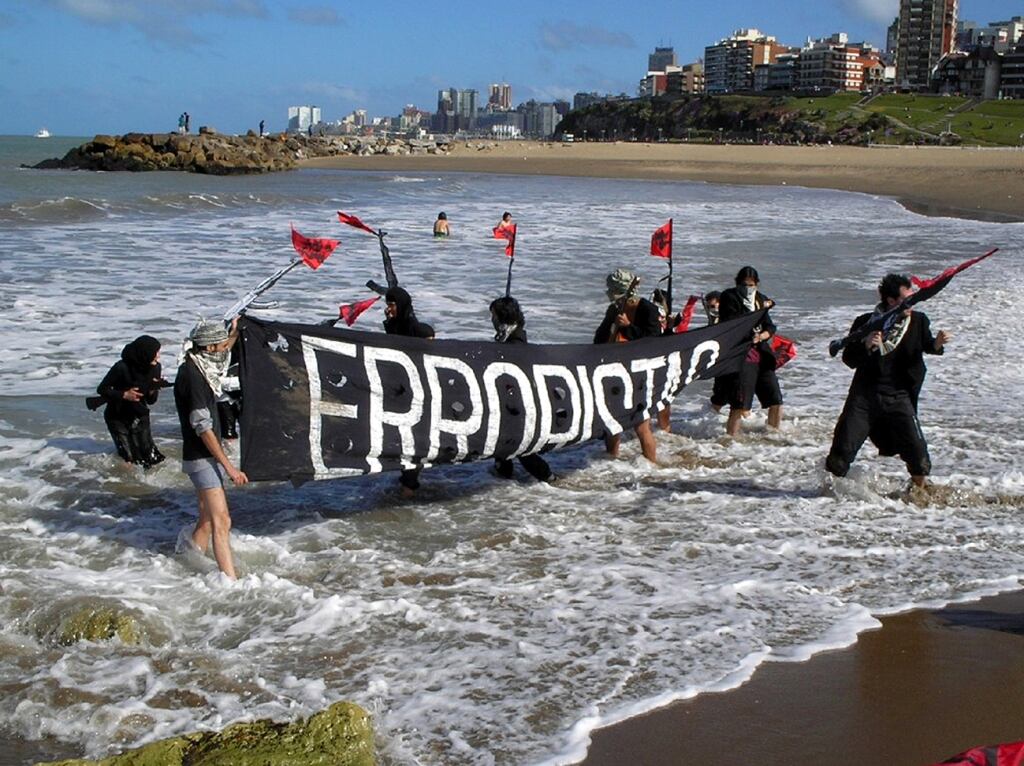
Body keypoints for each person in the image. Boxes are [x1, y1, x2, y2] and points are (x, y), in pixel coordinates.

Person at [825, 273, 950, 489]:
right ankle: (828, 497)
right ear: (891, 301)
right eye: (907, 298)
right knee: (841, 451)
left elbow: (927, 345)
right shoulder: (866, 323)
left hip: (899, 396)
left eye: (914, 296)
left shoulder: (918, 321)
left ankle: (919, 493)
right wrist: (865, 345)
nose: (913, 301)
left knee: (918, 454)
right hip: (865, 396)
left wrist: (937, 344)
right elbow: (848, 358)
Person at [174, 318, 247, 579]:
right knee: (221, 520)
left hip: (200, 456)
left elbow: (225, 350)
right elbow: (202, 426)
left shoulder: (199, 364)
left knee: (206, 518)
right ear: (209, 348)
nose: (224, 350)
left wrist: (235, 330)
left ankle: (185, 564)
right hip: (202, 457)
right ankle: (230, 582)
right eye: (219, 345)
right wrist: (229, 468)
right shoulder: (195, 379)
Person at [593, 269, 659, 463]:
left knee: (641, 424)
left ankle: (652, 465)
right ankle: (610, 460)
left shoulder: (648, 309)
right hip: (615, 370)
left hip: (639, 372)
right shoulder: (614, 309)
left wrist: (628, 326)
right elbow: (599, 338)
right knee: (612, 421)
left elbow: (654, 342)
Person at [489, 296, 553, 482]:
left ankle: (549, 478)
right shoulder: (507, 337)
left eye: (494, 316)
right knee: (504, 445)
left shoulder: (516, 342)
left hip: (518, 403)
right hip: (508, 401)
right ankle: (503, 479)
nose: (492, 321)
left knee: (518, 447)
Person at [383, 287, 435, 497]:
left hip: (421, 394)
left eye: (392, 304)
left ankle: (409, 487)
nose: (388, 309)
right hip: (403, 393)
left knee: (415, 441)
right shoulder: (396, 327)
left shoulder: (418, 330)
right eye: (387, 304)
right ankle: (408, 483)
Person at [717, 266, 783, 436]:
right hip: (741, 355)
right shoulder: (729, 297)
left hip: (762, 354)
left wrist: (762, 336)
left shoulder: (760, 299)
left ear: (757, 284)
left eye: (751, 284)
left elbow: (770, 325)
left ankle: (773, 434)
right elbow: (730, 322)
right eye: (744, 284)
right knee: (739, 402)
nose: (748, 288)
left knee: (775, 398)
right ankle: (731, 440)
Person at [94, 335, 167, 468]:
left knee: (150, 456)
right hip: (117, 416)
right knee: (128, 458)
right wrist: (124, 395)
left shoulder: (156, 368)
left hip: (140, 414)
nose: (158, 356)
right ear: (145, 354)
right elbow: (102, 389)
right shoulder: (121, 367)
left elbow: (151, 401)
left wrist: (152, 389)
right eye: (155, 353)